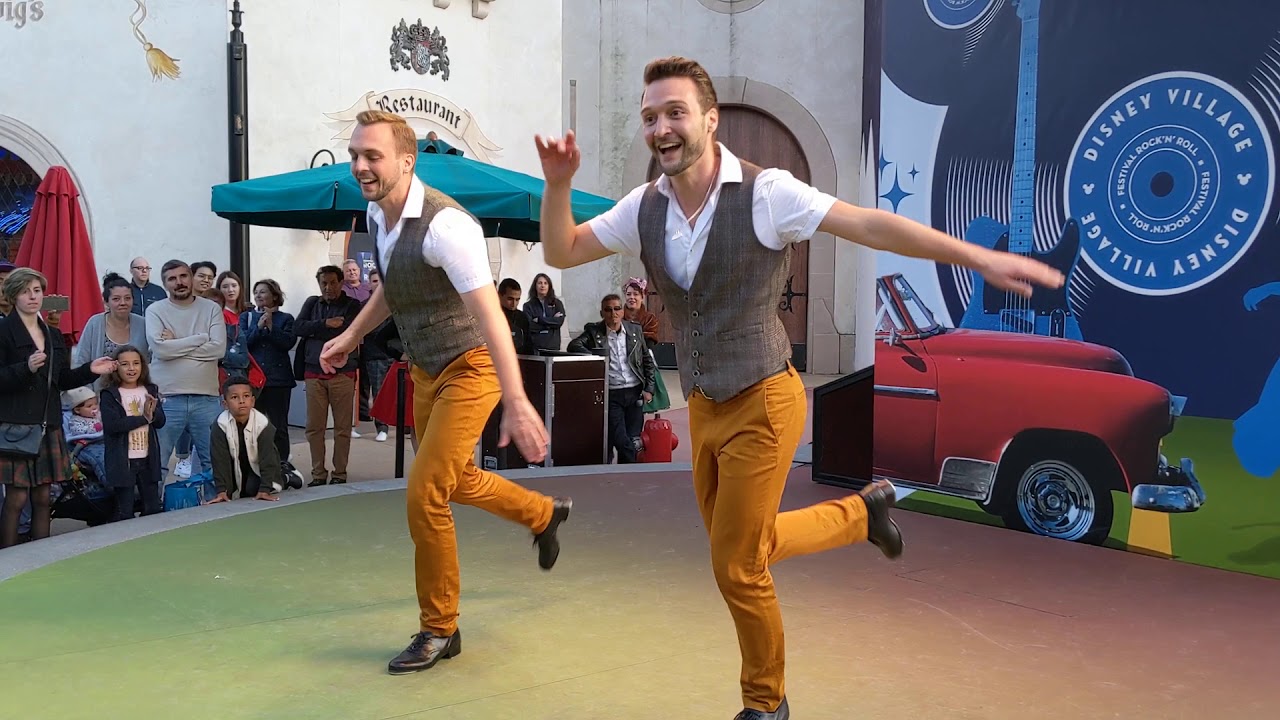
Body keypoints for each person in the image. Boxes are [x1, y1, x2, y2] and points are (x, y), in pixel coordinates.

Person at [534, 56, 1065, 720]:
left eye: (675, 113)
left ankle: (768, 704)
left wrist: (976, 255)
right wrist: (558, 184)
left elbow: (869, 224)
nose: (662, 127)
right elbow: (561, 251)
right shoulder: (644, 208)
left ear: (708, 119)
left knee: (736, 566)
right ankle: (859, 515)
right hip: (704, 405)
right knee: (742, 547)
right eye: (650, 117)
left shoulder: (766, 192)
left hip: (765, 398)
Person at [319, 109, 571, 676]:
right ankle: (541, 514)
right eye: (355, 154)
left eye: (372, 156)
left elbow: (492, 320)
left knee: (425, 491)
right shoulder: (376, 215)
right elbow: (394, 286)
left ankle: (440, 627)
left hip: (472, 366)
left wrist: (518, 400)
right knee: (453, 478)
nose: (360, 165)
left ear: (406, 161)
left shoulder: (446, 226)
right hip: (427, 369)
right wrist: (352, 335)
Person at [0, 268, 116, 547]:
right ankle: (6, 558)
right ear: (14, 295)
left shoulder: (51, 334)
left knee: (43, 497)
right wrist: (24, 369)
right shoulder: (3, 331)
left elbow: (62, 380)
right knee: (16, 497)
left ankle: (41, 556)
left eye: (37, 290)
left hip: (48, 423)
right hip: (17, 424)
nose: (33, 296)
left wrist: (90, 370)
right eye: (26, 291)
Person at [145, 260, 226, 486]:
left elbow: (219, 349)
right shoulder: (155, 310)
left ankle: (213, 509)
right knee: (158, 462)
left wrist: (176, 345)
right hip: (167, 398)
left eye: (183, 276)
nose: (179, 282)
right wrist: (200, 338)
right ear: (164, 284)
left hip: (207, 399)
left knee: (213, 462)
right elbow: (160, 349)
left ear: (191, 277)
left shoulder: (211, 309)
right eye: (172, 279)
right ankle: (155, 512)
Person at [567, 294, 656, 463]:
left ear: (622, 311)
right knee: (622, 440)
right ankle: (629, 474)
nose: (613, 313)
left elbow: (647, 361)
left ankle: (625, 480)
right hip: (612, 393)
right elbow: (573, 345)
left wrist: (649, 389)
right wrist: (597, 357)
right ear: (602, 313)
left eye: (617, 309)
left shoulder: (634, 330)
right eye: (608, 310)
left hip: (635, 392)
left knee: (632, 440)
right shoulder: (594, 331)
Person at [294, 265, 362, 486]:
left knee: (342, 428)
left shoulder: (352, 305)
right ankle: (318, 474)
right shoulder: (312, 303)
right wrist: (325, 324)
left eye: (332, 282)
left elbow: (350, 331)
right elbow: (298, 328)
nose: (328, 287)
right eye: (323, 283)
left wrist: (316, 329)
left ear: (341, 282)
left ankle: (339, 473)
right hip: (313, 372)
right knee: (314, 427)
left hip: (343, 373)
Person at [100, 344, 166, 521]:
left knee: (152, 508)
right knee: (125, 511)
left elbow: (160, 422)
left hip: (147, 458)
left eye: (136, 363)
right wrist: (144, 418)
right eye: (125, 364)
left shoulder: (150, 389)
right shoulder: (109, 394)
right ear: (116, 367)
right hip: (123, 461)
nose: (131, 368)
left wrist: (154, 412)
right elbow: (113, 425)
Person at [206, 376, 290, 504]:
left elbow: (268, 458)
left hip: (258, 466)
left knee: (252, 489)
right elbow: (219, 459)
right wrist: (222, 490)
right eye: (234, 397)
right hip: (236, 466)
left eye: (246, 396)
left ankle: (287, 476)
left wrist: (265, 489)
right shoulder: (219, 425)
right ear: (225, 404)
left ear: (253, 401)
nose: (241, 401)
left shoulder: (262, 424)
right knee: (233, 491)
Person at [242, 279, 297, 462]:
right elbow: (243, 344)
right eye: (256, 292)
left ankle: (281, 464)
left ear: (274, 295)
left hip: (278, 380)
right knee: (252, 424)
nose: (258, 295)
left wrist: (272, 327)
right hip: (254, 380)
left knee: (278, 425)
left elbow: (288, 343)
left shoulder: (286, 318)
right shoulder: (247, 317)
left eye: (263, 292)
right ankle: (255, 463)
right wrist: (258, 328)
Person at [73, 272, 150, 390]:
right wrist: (86, 397)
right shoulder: (95, 323)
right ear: (106, 302)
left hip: (135, 396)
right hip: (100, 395)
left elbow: (151, 359)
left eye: (127, 298)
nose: (123, 303)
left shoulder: (143, 324)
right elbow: (81, 361)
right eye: (116, 299)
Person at [61, 385, 107, 486]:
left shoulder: (98, 415)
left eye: (96, 404)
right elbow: (77, 430)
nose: (94, 407)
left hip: (102, 440)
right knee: (100, 459)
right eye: (89, 406)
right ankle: (109, 482)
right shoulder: (75, 420)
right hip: (85, 444)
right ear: (77, 410)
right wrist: (94, 428)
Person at [522, 272, 566, 352]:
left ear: (549, 286)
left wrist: (540, 320)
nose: (542, 285)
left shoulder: (557, 303)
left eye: (545, 283)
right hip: (535, 347)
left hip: (553, 347)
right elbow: (529, 326)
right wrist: (551, 322)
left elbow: (559, 322)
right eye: (540, 283)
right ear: (535, 286)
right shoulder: (528, 306)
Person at [497, 277, 536, 355]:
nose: (514, 303)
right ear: (500, 295)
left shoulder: (522, 317)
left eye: (517, 300)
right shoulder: (492, 315)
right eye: (510, 299)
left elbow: (528, 345)